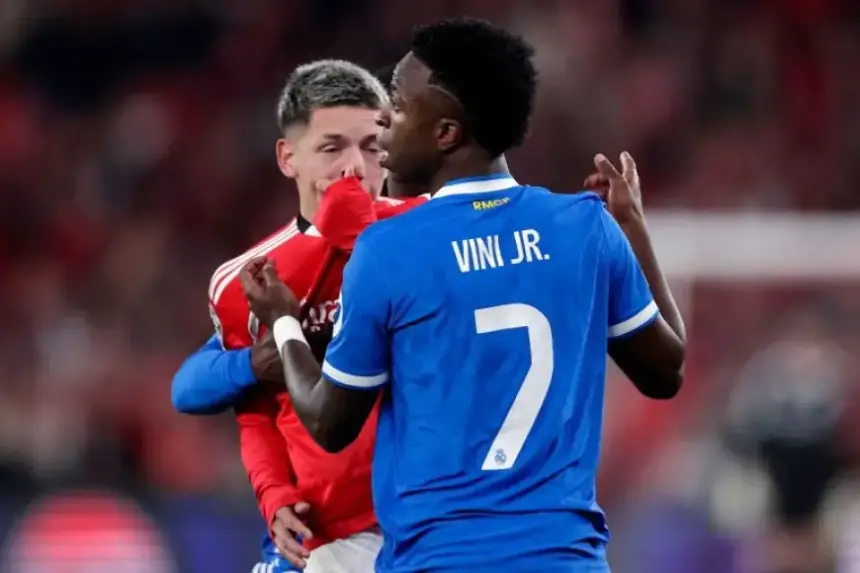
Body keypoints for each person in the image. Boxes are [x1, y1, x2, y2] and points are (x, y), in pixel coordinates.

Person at [241, 17, 686, 573]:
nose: (383, 123)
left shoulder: (389, 249)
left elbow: (331, 424)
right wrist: (634, 229)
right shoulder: (585, 227)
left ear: (446, 133)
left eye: (399, 107)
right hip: (566, 560)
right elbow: (666, 372)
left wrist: (284, 324)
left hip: (441, 560)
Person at [173, 59, 424, 573]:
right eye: (332, 148)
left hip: (434, 526)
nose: (354, 167)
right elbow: (252, 407)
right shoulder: (249, 279)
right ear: (288, 158)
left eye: (372, 147)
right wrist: (274, 495)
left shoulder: (431, 233)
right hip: (326, 537)